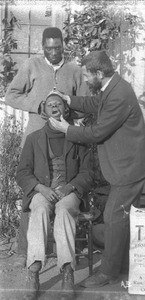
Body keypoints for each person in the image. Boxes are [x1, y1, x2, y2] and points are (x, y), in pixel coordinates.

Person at [50, 50, 145, 288]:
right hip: (128, 164)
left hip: (128, 168)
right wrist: (69, 100)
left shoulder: (119, 94)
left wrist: (66, 129)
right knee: (122, 218)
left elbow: (97, 133)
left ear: (99, 73)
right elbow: (96, 103)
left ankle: (108, 272)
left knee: (113, 217)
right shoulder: (113, 87)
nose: (85, 80)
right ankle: (124, 265)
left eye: (87, 76)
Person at [5, 27, 88, 267]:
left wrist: (68, 110)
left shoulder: (74, 70)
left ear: (64, 46)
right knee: (32, 190)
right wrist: (38, 105)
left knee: (69, 189)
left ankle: (72, 247)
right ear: (42, 47)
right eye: (49, 48)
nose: (53, 52)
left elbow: (84, 104)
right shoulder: (31, 65)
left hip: (65, 138)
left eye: (58, 48)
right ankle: (25, 251)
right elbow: (11, 95)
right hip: (36, 138)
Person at [16, 90, 93, 297]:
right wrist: (40, 188)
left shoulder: (78, 138)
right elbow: (22, 173)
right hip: (43, 190)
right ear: (44, 110)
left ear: (66, 109)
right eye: (49, 104)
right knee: (39, 209)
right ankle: (33, 271)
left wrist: (71, 187)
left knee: (64, 211)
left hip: (70, 190)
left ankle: (67, 272)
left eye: (58, 104)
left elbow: (88, 172)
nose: (54, 107)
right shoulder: (33, 139)